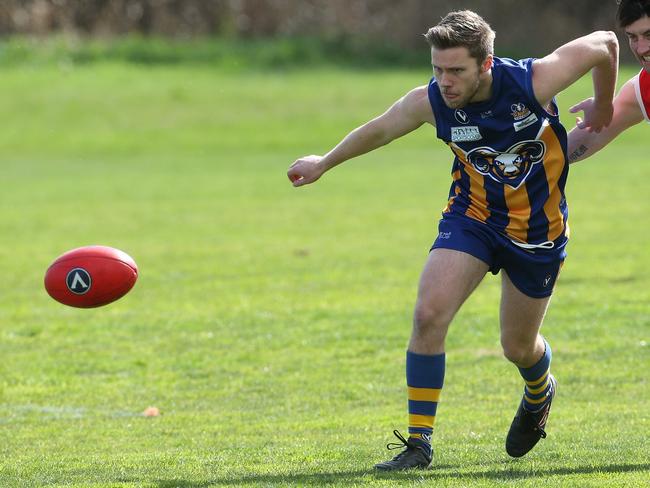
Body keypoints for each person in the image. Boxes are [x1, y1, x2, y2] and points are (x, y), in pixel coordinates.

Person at [287, 10, 618, 470]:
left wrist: (604, 105)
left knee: (517, 347)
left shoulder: (534, 81)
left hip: (538, 232)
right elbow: (382, 127)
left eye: (456, 70)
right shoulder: (434, 101)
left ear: (486, 63)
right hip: (472, 218)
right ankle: (418, 444)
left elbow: (605, 42)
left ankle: (540, 391)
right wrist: (324, 161)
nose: (445, 81)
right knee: (428, 313)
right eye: (438, 69)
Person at [568, 0, 650, 163]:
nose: (641, 49)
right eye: (633, 37)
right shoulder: (643, 88)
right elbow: (594, 135)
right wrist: (528, 160)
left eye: (649, 35)